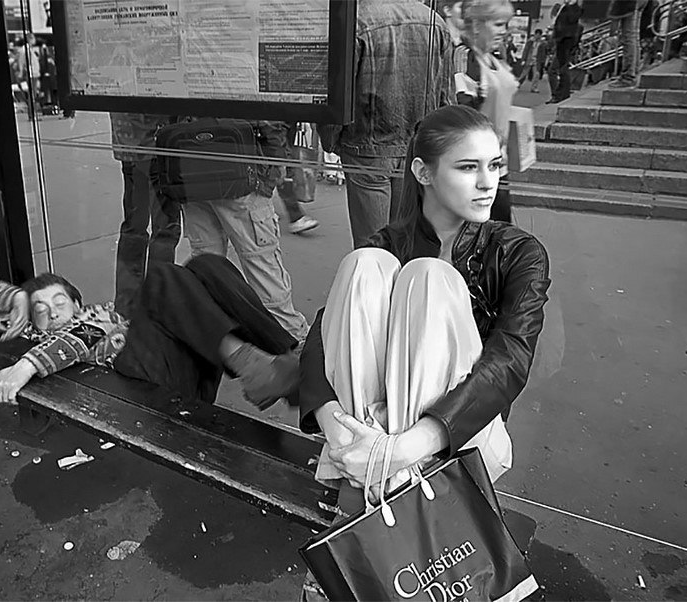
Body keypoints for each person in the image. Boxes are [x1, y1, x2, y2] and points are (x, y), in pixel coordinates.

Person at [297, 106, 550, 601]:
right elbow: (321, 339)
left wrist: (401, 449)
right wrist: (340, 432)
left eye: (495, 166)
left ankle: (360, 509)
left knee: (430, 278)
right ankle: (374, 483)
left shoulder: (517, 252)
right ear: (423, 171)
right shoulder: (387, 243)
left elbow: (510, 361)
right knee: (364, 265)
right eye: (468, 167)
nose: (487, 182)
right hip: (365, 443)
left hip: (458, 440)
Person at [0, 254, 301, 410]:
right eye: (39, 309)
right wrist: (16, 301)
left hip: (177, 372)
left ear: (78, 303)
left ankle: (286, 361)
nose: (51, 312)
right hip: (143, 391)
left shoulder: (99, 313)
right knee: (161, 279)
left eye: (59, 302)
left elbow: (93, 323)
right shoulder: (45, 339)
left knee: (205, 265)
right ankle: (257, 367)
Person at [328, 0, 454, 247]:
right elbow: (445, 95)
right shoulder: (434, 22)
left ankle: (379, 272)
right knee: (403, 238)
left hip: (367, 146)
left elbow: (339, 95)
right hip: (415, 144)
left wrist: (331, 139)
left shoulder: (357, 21)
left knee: (372, 245)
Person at [181, 120, 310, 342]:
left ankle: (211, 338)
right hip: (239, 173)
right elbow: (269, 119)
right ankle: (290, 337)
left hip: (193, 171)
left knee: (206, 265)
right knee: (261, 265)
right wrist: (273, 170)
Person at [109, 112, 182, 319]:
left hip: (128, 144)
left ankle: (126, 305)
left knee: (134, 226)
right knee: (165, 229)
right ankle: (156, 305)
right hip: (157, 143)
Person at [453, 0, 518, 223]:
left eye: (505, 24)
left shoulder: (492, 58)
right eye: (498, 24)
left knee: (497, 227)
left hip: (496, 160)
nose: (504, 31)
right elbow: (462, 113)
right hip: (476, 163)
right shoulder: (465, 58)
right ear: (477, 25)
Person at [277, 122, 320, 235]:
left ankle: (294, 215)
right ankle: (295, 215)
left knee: (282, 167)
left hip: (285, 123)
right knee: (283, 167)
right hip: (280, 124)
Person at [549, 0, 583, 100]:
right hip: (564, 44)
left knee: (557, 69)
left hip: (564, 44)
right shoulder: (567, 10)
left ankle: (559, 94)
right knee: (560, 69)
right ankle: (560, 93)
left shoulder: (570, 11)